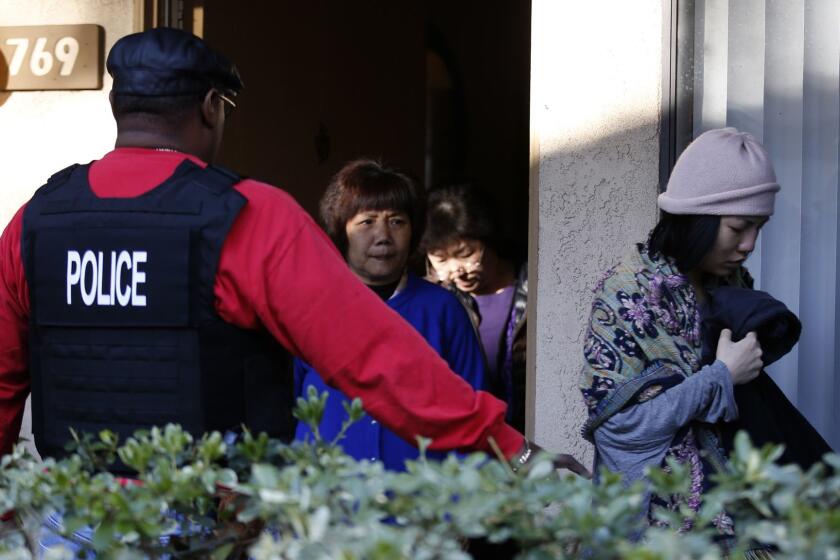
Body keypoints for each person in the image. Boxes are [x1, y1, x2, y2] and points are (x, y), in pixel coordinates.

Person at [0, 27, 587, 477]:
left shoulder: (35, 221)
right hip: (212, 526)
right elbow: (373, 357)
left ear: (119, 107)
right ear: (210, 107)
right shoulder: (250, 217)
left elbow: (3, 382)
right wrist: (512, 449)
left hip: (71, 523)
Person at [579, 127, 775, 533]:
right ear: (697, 219)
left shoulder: (735, 286)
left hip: (729, 517)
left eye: (760, 226)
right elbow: (619, 430)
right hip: (653, 524)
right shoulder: (627, 295)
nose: (750, 244)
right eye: (738, 228)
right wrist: (721, 377)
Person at [295, 159, 487, 471]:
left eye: (397, 221)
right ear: (341, 232)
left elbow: (475, 415)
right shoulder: (308, 310)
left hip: (422, 503)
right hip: (328, 503)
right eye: (366, 222)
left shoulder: (444, 311)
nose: (383, 235)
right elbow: (286, 405)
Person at [422, 184, 528, 432]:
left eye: (466, 253)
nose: (456, 269)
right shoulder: (434, 299)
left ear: (489, 240)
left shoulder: (533, 285)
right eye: (441, 259)